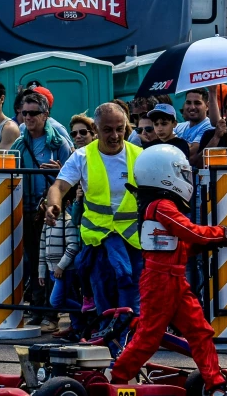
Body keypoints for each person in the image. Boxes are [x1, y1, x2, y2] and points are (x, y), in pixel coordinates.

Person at [107, 144, 227, 396]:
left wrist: (216, 240)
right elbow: (192, 233)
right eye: (181, 173)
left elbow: (183, 244)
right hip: (160, 280)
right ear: (164, 175)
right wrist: (226, 234)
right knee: (149, 337)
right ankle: (113, 379)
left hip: (172, 279)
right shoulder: (161, 206)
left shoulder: (159, 206)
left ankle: (217, 390)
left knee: (200, 332)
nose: (186, 180)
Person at [46, 103, 143, 317]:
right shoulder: (82, 157)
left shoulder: (140, 156)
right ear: (96, 130)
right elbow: (59, 186)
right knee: (105, 298)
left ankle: (128, 344)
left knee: (131, 299)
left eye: (120, 128)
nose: (115, 135)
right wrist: (54, 205)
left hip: (132, 240)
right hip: (99, 240)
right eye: (108, 130)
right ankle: (112, 343)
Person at [10, 92, 72, 333]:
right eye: (24, 113)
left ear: (46, 115)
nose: (28, 117)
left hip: (51, 213)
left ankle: (51, 313)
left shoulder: (58, 143)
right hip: (25, 212)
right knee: (34, 261)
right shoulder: (18, 143)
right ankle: (37, 310)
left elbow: (72, 177)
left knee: (51, 263)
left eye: (33, 113)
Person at [39, 186, 82, 341]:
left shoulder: (67, 221)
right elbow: (42, 248)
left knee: (56, 301)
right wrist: (41, 271)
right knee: (67, 297)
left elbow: (72, 246)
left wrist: (61, 266)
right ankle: (78, 326)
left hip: (63, 270)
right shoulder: (47, 223)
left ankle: (86, 314)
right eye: (46, 202)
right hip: (52, 269)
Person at [175, 89, 214, 165]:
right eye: (188, 103)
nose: (192, 107)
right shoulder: (179, 126)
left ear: (207, 106)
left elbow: (191, 153)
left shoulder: (208, 126)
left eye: (197, 103)